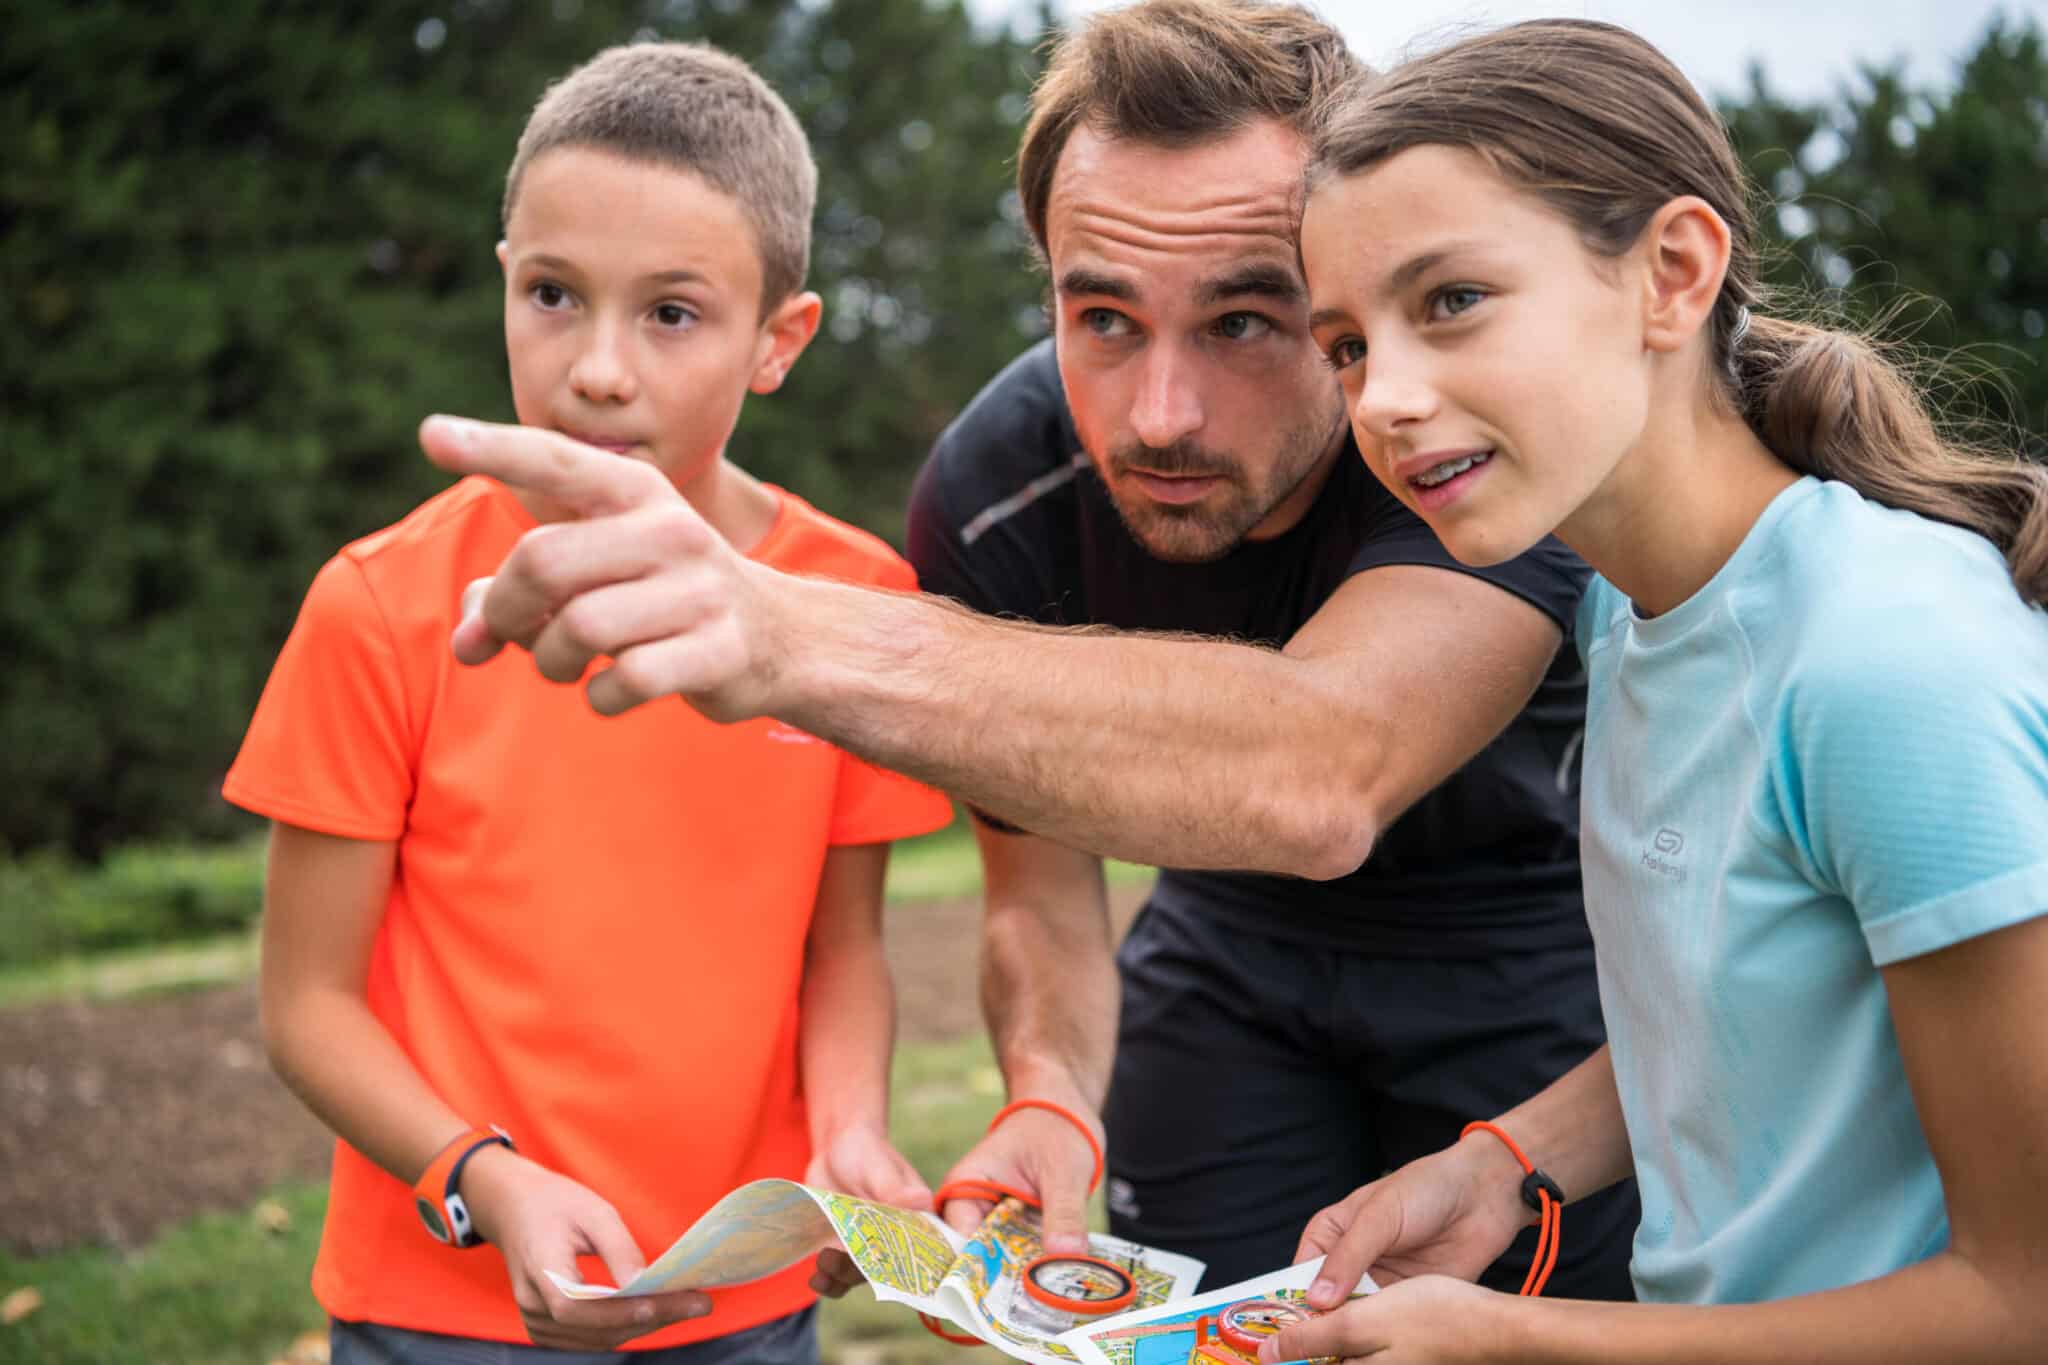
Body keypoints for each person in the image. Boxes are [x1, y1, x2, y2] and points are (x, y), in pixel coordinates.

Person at [1246, 18, 2048, 1363]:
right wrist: (1504, 1161)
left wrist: (1527, 1341)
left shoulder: (1889, 665)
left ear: (1671, 274)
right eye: (1343, 344)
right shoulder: (1626, 604)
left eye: (1450, 301)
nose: (1382, 397)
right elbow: (1767, 1008)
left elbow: (2022, 1299)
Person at [224, 42, 952, 1363]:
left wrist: (849, 1129)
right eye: (555, 294)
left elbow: (840, 949)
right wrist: (482, 1179)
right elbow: (305, 1006)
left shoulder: (859, 597)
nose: (599, 369)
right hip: (435, 1309)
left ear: (778, 339)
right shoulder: (377, 605)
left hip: (746, 1305)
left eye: (672, 313)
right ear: (506, 280)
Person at [899, 0, 1636, 1298]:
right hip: (1219, 936)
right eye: (1104, 318)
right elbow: (1039, 885)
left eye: (1245, 319)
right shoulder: (993, 494)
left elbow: (1324, 776)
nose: (1161, 414)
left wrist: (809, 635)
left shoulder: (1467, 432)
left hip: (1531, 932)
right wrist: (1052, 1092)